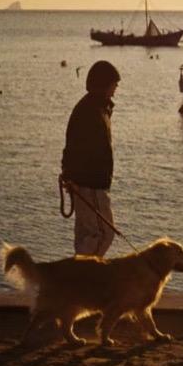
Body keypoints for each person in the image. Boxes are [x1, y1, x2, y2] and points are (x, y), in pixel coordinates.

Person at [60, 60, 120, 257]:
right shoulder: (91, 110)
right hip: (90, 183)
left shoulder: (96, 107)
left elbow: (72, 146)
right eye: (114, 84)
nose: (116, 88)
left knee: (88, 234)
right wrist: (71, 177)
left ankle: (79, 278)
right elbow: (75, 146)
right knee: (103, 233)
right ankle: (84, 276)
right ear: (104, 84)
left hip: (87, 182)